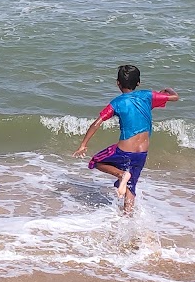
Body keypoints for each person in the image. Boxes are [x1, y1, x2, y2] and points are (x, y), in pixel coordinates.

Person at [71, 64, 178, 214]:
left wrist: (83, 145)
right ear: (138, 83)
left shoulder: (117, 103)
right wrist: (167, 89)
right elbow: (174, 97)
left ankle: (122, 175)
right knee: (131, 185)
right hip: (142, 152)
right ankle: (128, 217)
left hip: (124, 150)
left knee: (96, 161)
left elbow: (96, 123)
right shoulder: (148, 96)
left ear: (118, 83)